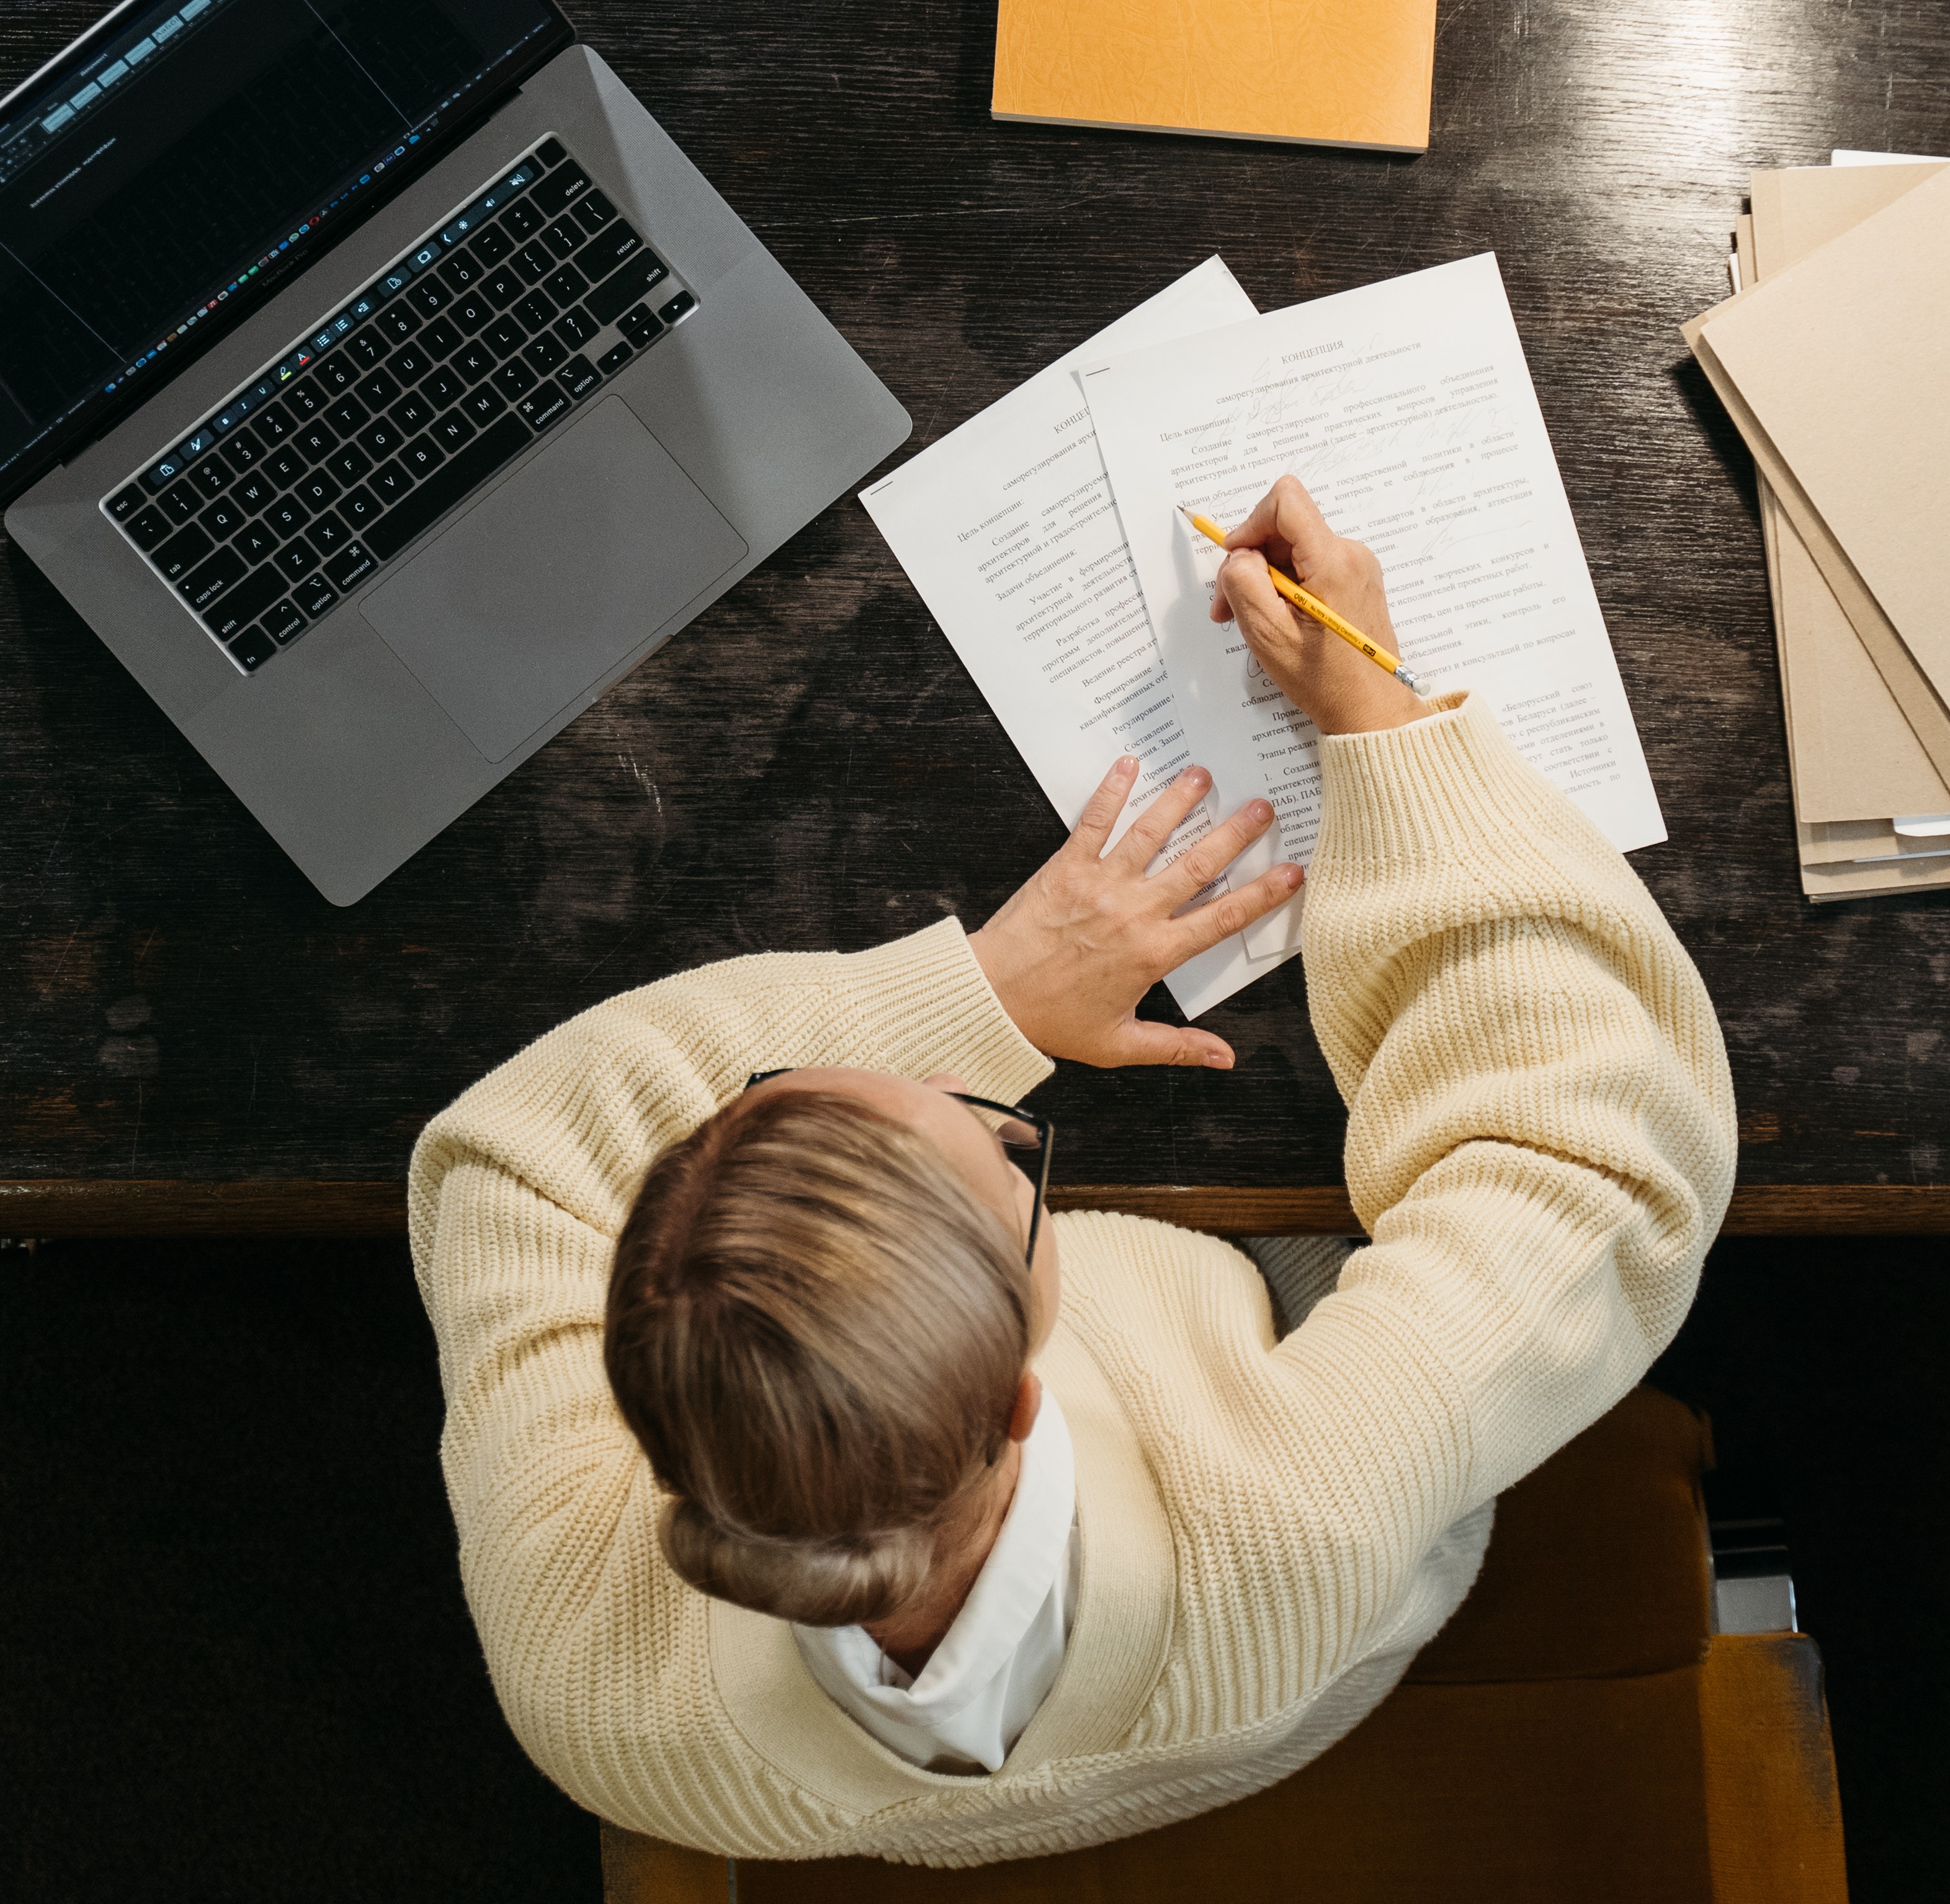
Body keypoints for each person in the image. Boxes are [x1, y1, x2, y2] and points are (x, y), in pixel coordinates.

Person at [408, 478, 1735, 1866]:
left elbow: (521, 1153)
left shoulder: (579, 1691)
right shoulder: (1295, 1503)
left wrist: (987, 991)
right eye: (999, 1148)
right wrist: (1380, 723)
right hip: (1294, 1654)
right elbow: (1593, 1150)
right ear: (1026, 1383)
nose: (957, 1088)